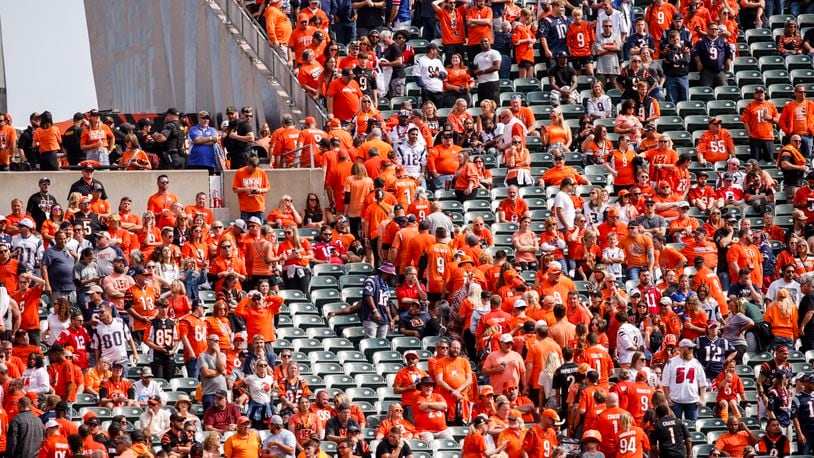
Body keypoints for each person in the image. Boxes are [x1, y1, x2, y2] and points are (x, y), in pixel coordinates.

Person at [662, 338, 707, 420]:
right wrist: (668, 399)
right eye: (689, 348)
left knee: (692, 426)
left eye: (692, 348)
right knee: (676, 425)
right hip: (675, 401)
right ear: (682, 348)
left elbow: (703, 383)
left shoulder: (696, 363)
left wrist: (702, 398)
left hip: (692, 401)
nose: (691, 350)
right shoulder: (671, 362)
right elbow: (665, 383)